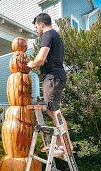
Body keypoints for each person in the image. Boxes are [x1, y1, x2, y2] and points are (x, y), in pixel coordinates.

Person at [27, 13, 71, 156]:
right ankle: (60, 144)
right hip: (54, 76)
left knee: (54, 111)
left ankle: (64, 146)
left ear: (41, 24)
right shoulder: (55, 36)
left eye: (36, 27)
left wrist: (31, 64)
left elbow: (40, 59)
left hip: (52, 77)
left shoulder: (47, 35)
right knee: (51, 111)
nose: (36, 30)